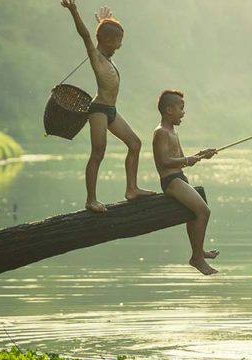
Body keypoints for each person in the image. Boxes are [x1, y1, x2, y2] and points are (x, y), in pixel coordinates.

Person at [61, 1, 154, 213]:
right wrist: (74, 11)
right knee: (98, 152)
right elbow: (86, 36)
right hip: (99, 110)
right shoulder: (96, 57)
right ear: (108, 41)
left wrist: (103, 22)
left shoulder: (107, 57)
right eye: (118, 41)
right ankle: (91, 200)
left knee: (135, 144)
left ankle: (132, 189)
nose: (120, 46)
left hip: (111, 111)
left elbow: (101, 35)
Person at [152, 90, 219, 275]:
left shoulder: (173, 131)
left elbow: (181, 158)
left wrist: (201, 155)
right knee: (203, 211)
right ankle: (197, 257)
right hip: (170, 181)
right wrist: (189, 159)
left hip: (179, 177)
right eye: (181, 108)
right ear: (168, 110)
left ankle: (199, 251)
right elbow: (164, 161)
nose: (183, 112)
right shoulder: (161, 132)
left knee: (193, 213)